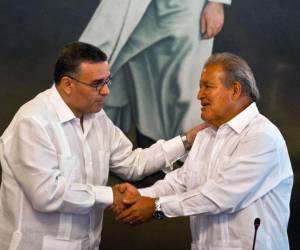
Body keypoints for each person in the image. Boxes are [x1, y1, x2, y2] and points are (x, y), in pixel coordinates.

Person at [0, 41, 205, 250]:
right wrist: (111, 195)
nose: (106, 91)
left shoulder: (97, 117)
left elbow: (132, 163)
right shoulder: (33, 122)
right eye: (97, 84)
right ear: (68, 84)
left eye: (107, 80)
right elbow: (46, 194)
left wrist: (185, 140)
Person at [114, 53, 294, 250]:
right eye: (200, 87)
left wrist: (156, 208)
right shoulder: (206, 135)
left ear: (235, 90)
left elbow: (220, 196)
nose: (199, 95)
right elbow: (181, 183)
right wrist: (139, 197)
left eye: (207, 86)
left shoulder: (262, 136)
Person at [79, 0, 232, 146]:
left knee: (183, 87)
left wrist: (217, 3)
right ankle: (150, 154)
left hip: (186, 10)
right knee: (135, 78)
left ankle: (181, 157)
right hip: (140, 10)